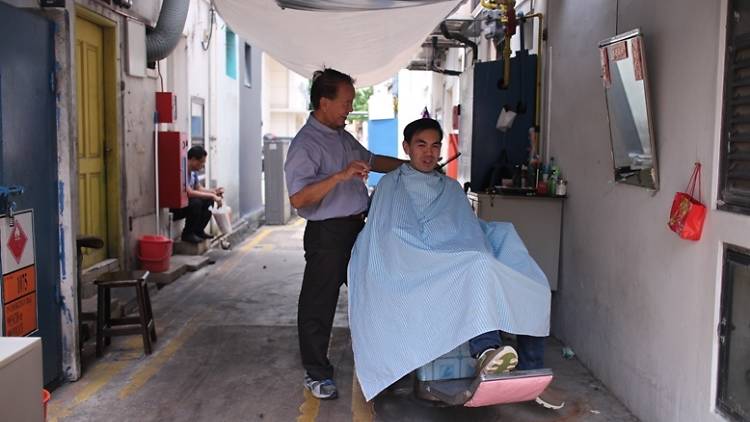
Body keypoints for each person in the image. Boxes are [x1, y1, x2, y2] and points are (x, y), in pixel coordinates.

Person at [348, 118, 564, 409]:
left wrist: (465, 248)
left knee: (530, 283)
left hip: (460, 253)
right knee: (477, 265)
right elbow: (390, 232)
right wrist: (440, 252)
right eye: (420, 145)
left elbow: (466, 228)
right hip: (413, 260)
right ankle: (486, 349)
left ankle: (530, 368)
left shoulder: (449, 187)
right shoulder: (391, 184)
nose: (428, 152)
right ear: (406, 148)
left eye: (435, 145)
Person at [284, 68, 405, 400]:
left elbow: (372, 159)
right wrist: (338, 177)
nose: (350, 108)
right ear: (324, 102)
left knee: (375, 295)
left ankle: (385, 364)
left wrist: (410, 165)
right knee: (318, 305)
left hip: (357, 229)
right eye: (346, 102)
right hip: (328, 234)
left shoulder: (341, 136)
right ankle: (316, 373)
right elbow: (299, 199)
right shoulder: (305, 145)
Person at [174, 146, 224, 244]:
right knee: (196, 202)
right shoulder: (182, 170)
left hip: (187, 205)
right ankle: (188, 234)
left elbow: (198, 188)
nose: (202, 165)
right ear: (192, 160)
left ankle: (198, 231)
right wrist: (212, 195)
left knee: (208, 201)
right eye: (201, 162)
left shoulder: (193, 173)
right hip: (177, 208)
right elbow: (189, 192)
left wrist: (213, 192)